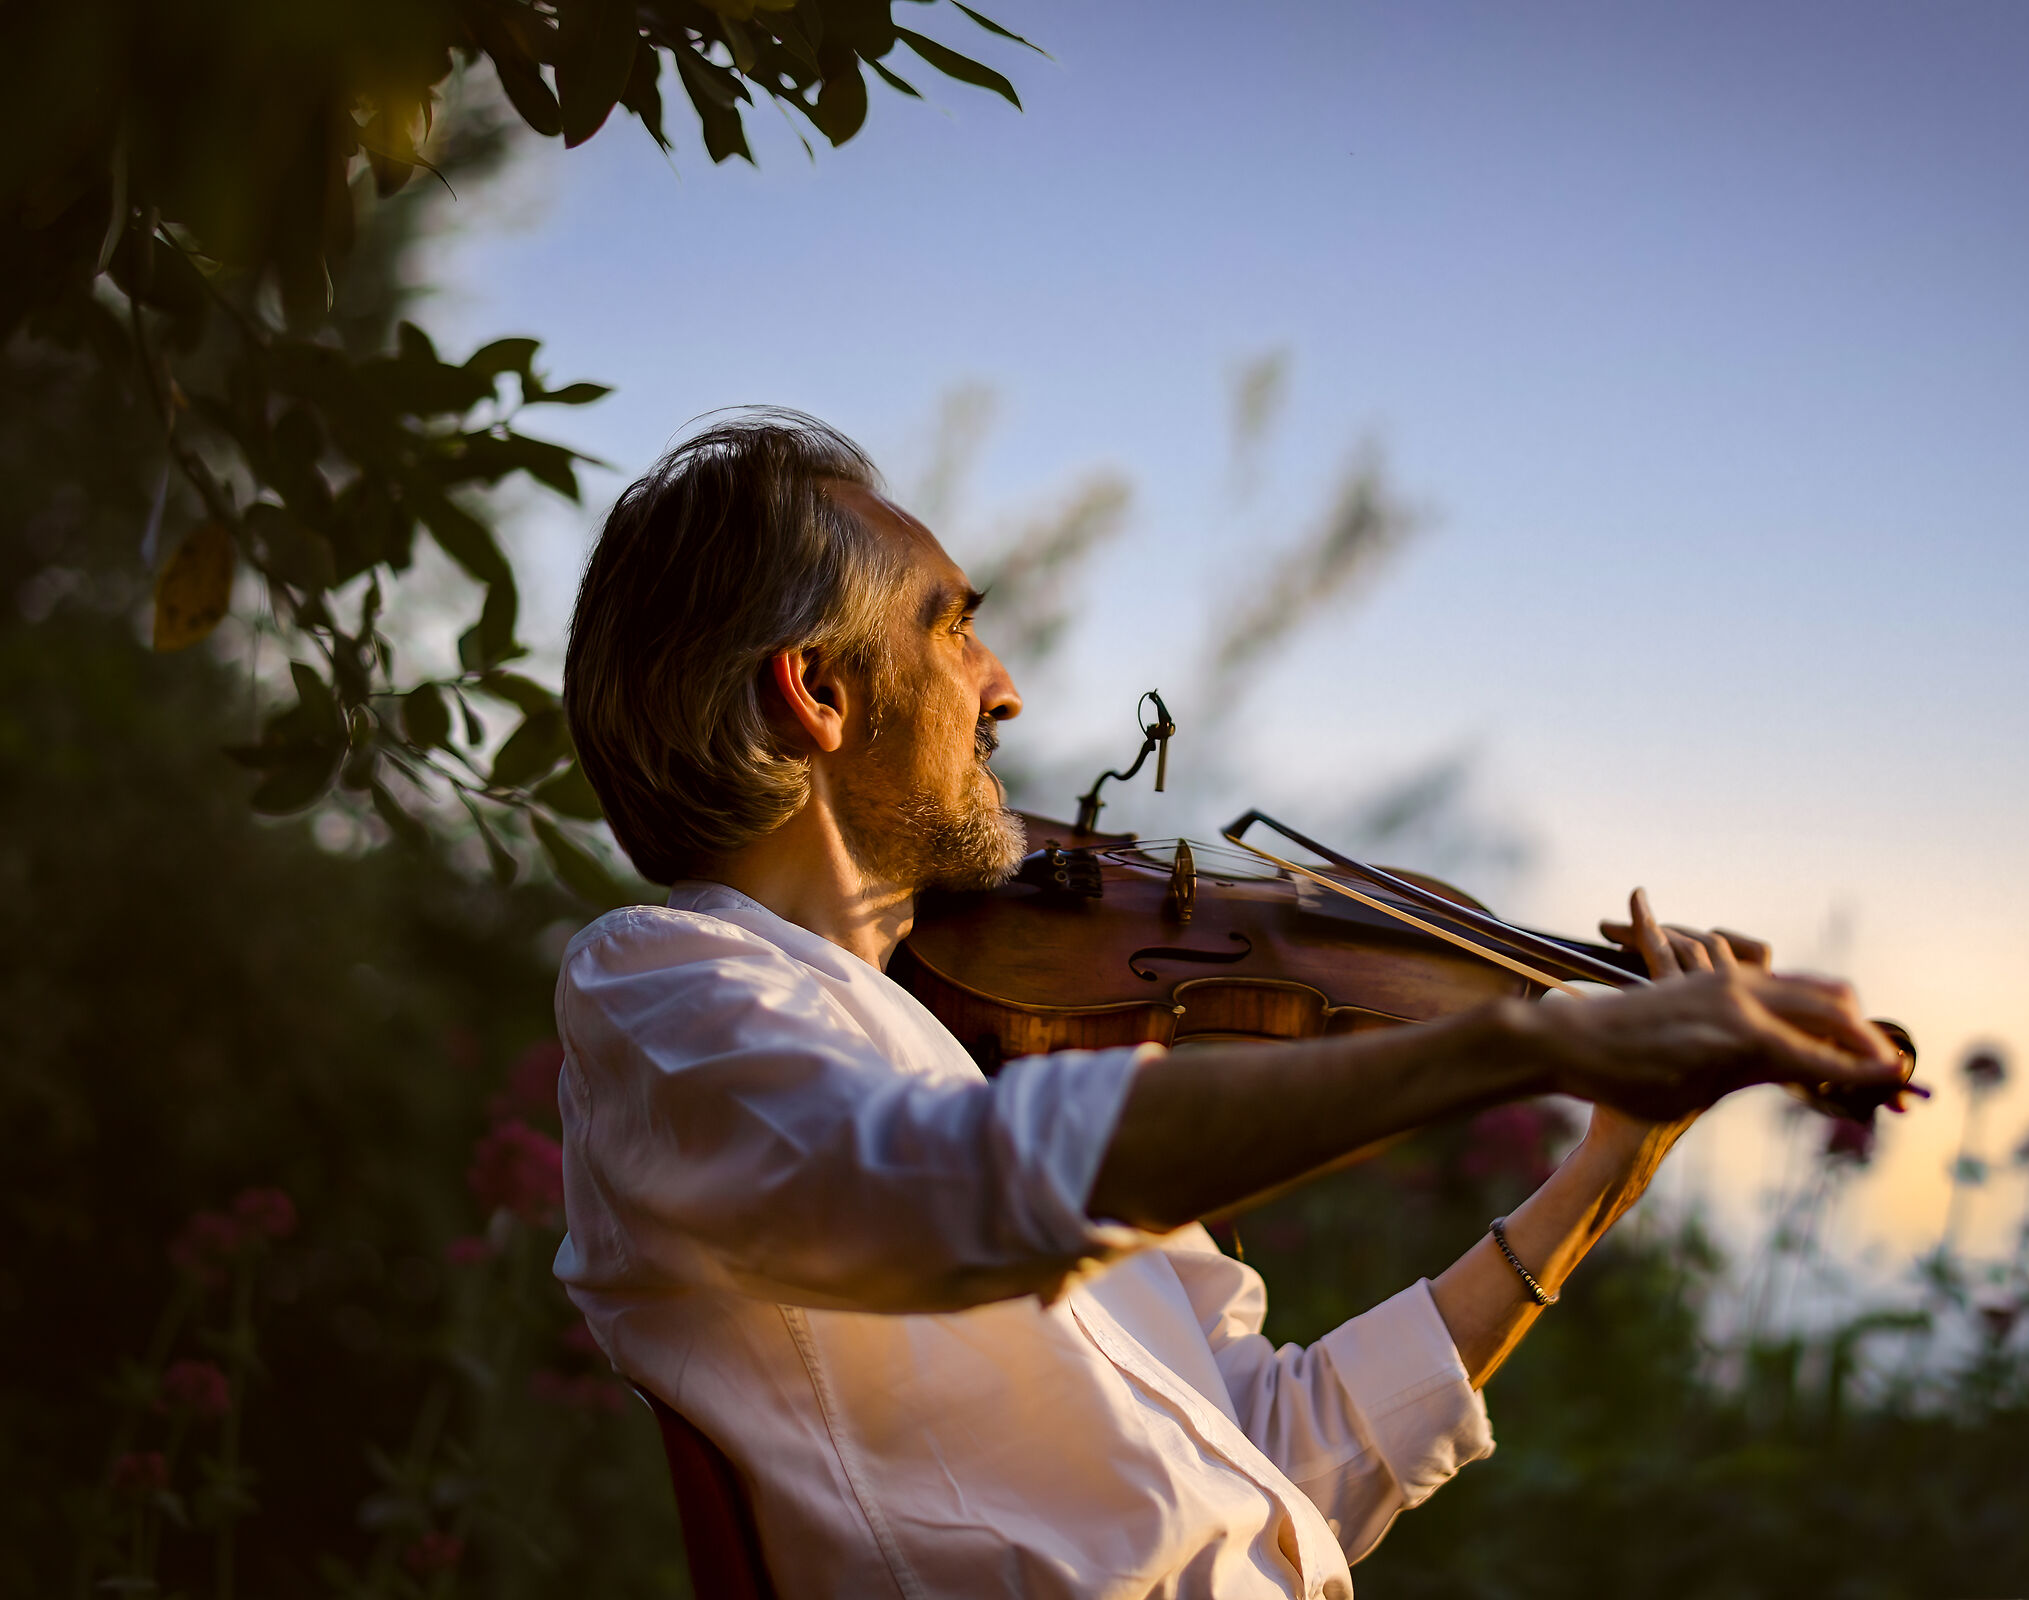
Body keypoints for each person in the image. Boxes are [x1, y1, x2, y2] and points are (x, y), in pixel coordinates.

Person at [554, 410, 1909, 1599]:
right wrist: (1533, 1037)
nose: (1004, 684)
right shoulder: (664, 987)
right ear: (820, 690)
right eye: (952, 626)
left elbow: (1279, 1453)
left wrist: (1613, 1161)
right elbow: (961, 1190)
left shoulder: (991, 1046)